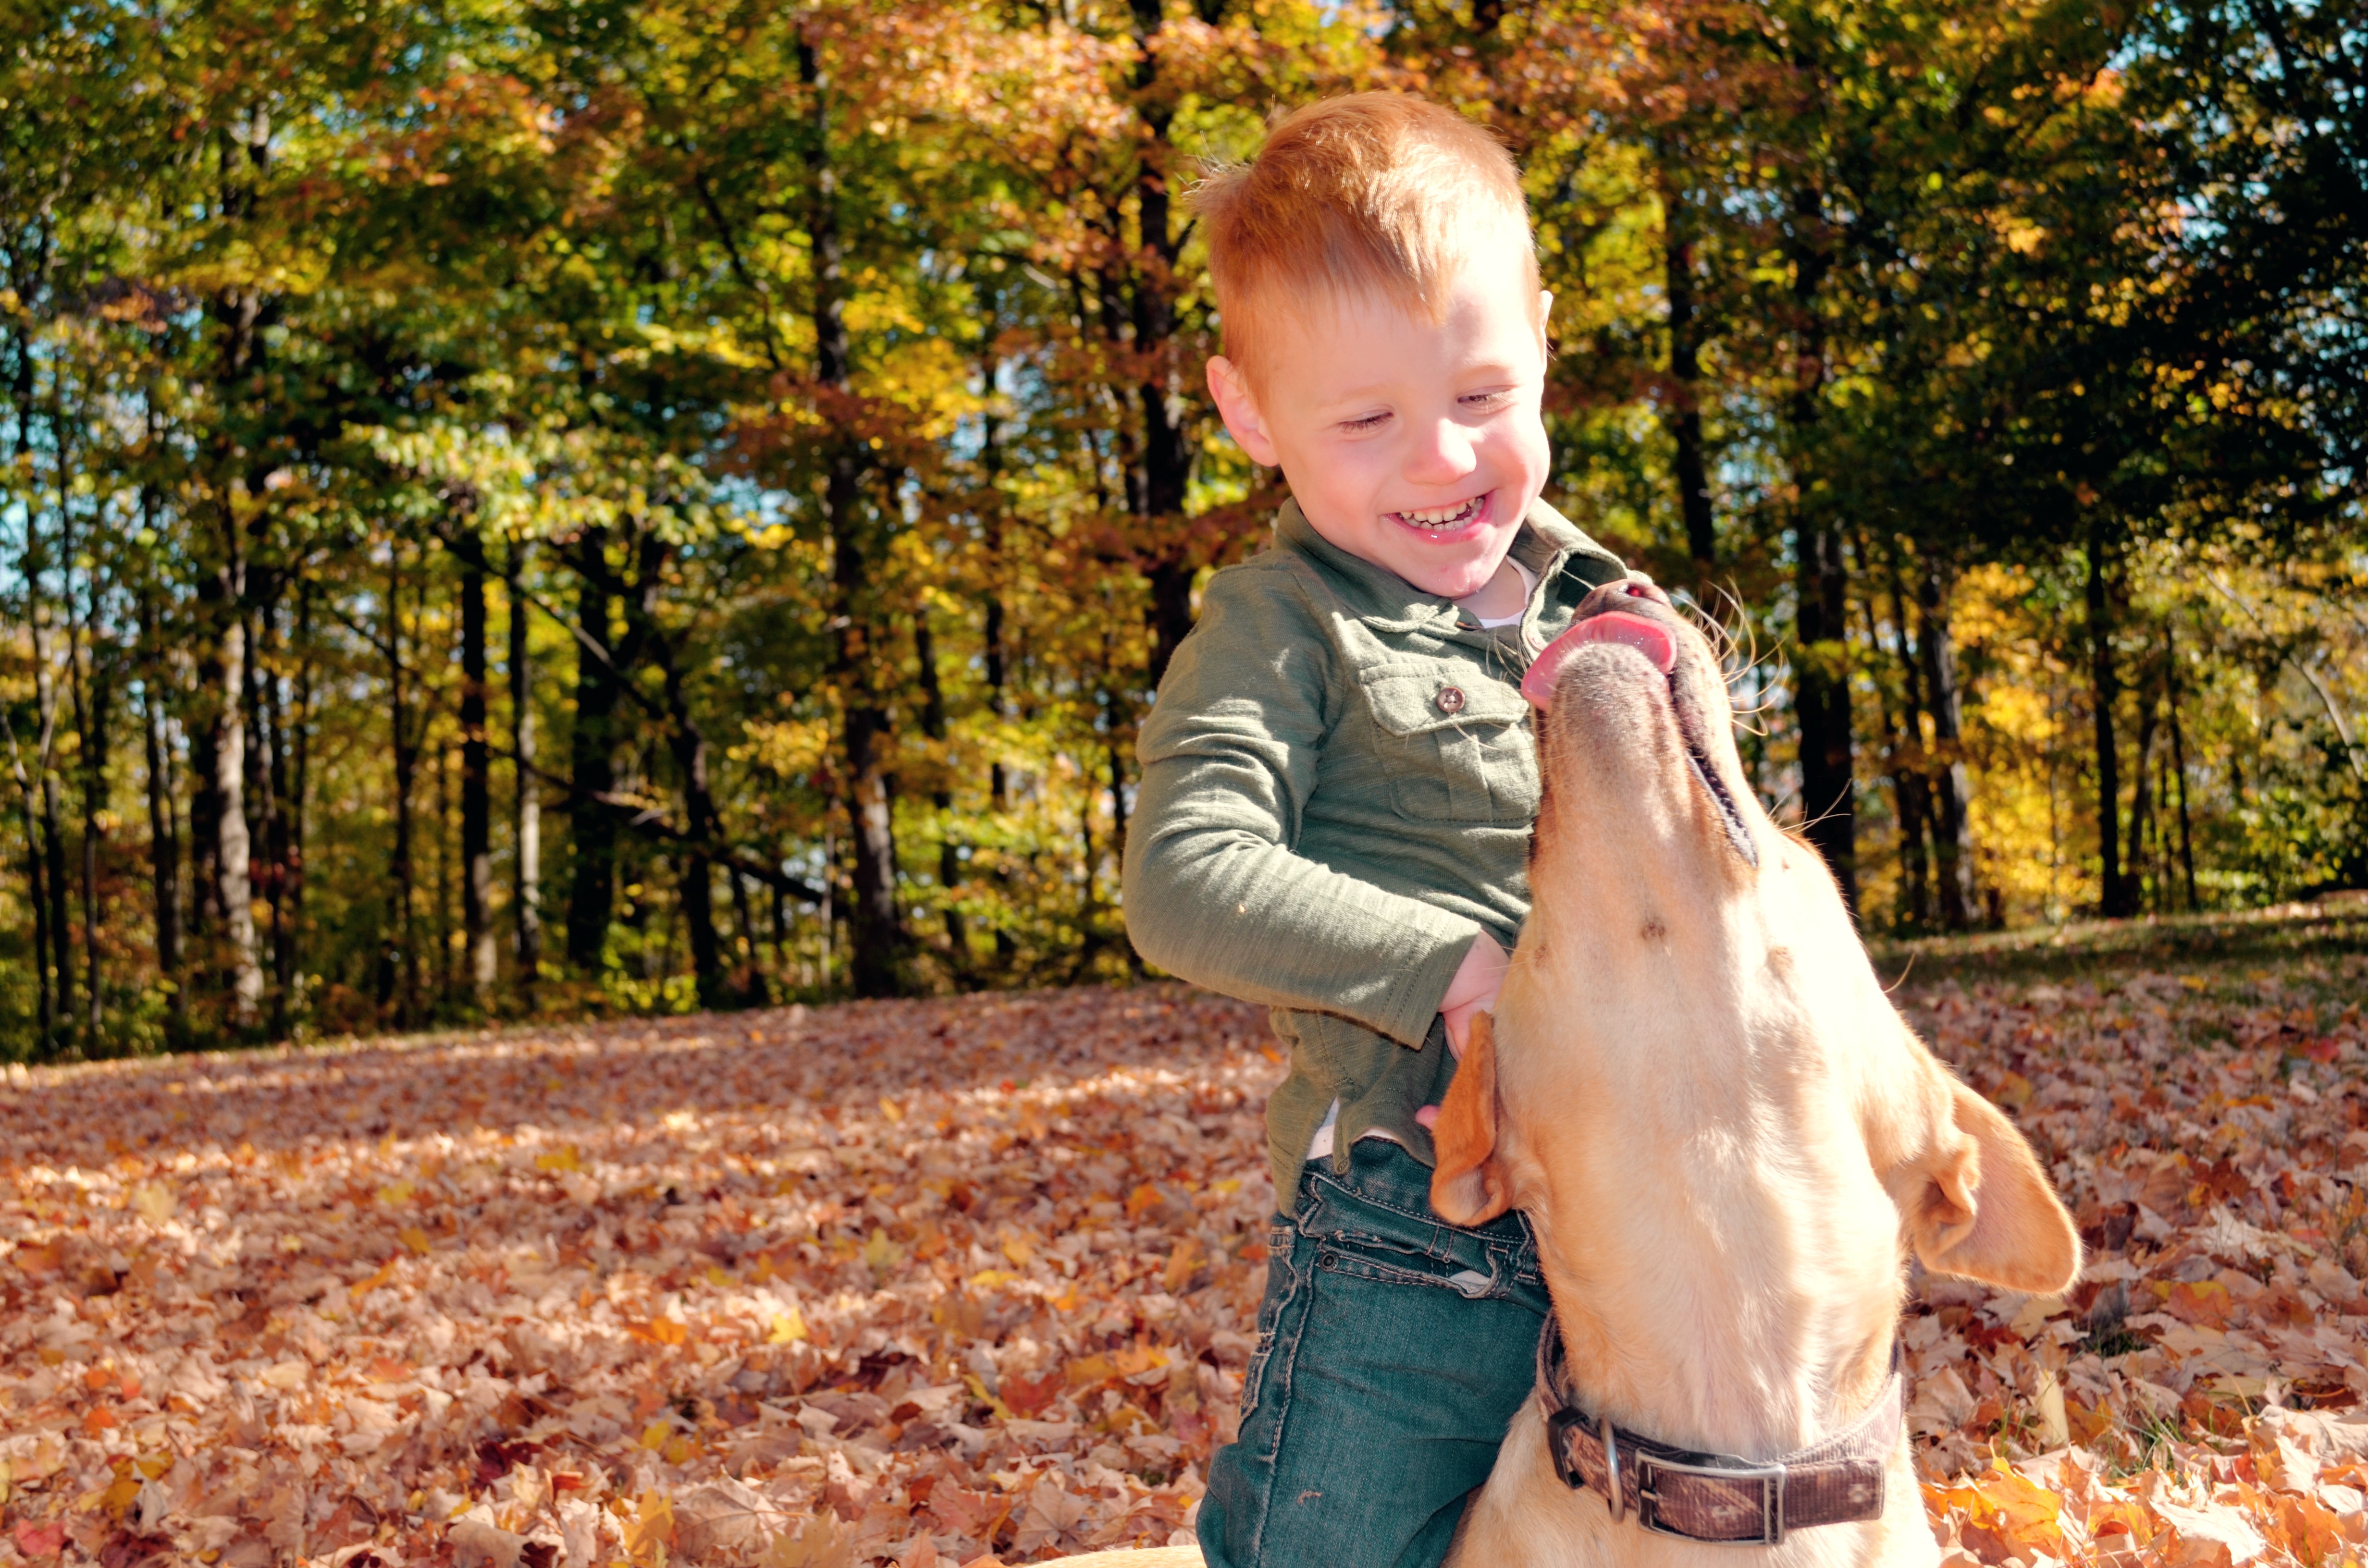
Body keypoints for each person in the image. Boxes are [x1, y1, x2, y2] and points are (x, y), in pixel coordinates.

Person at [1121, 93, 1637, 1568]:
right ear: (1249, 414)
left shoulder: (1609, 605)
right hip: (1421, 1234)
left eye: (1482, 393)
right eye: (1365, 421)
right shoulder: (1280, 625)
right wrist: (1458, 969)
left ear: (1542, 339)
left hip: (1648, 1197)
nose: (1442, 458)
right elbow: (1185, 877)